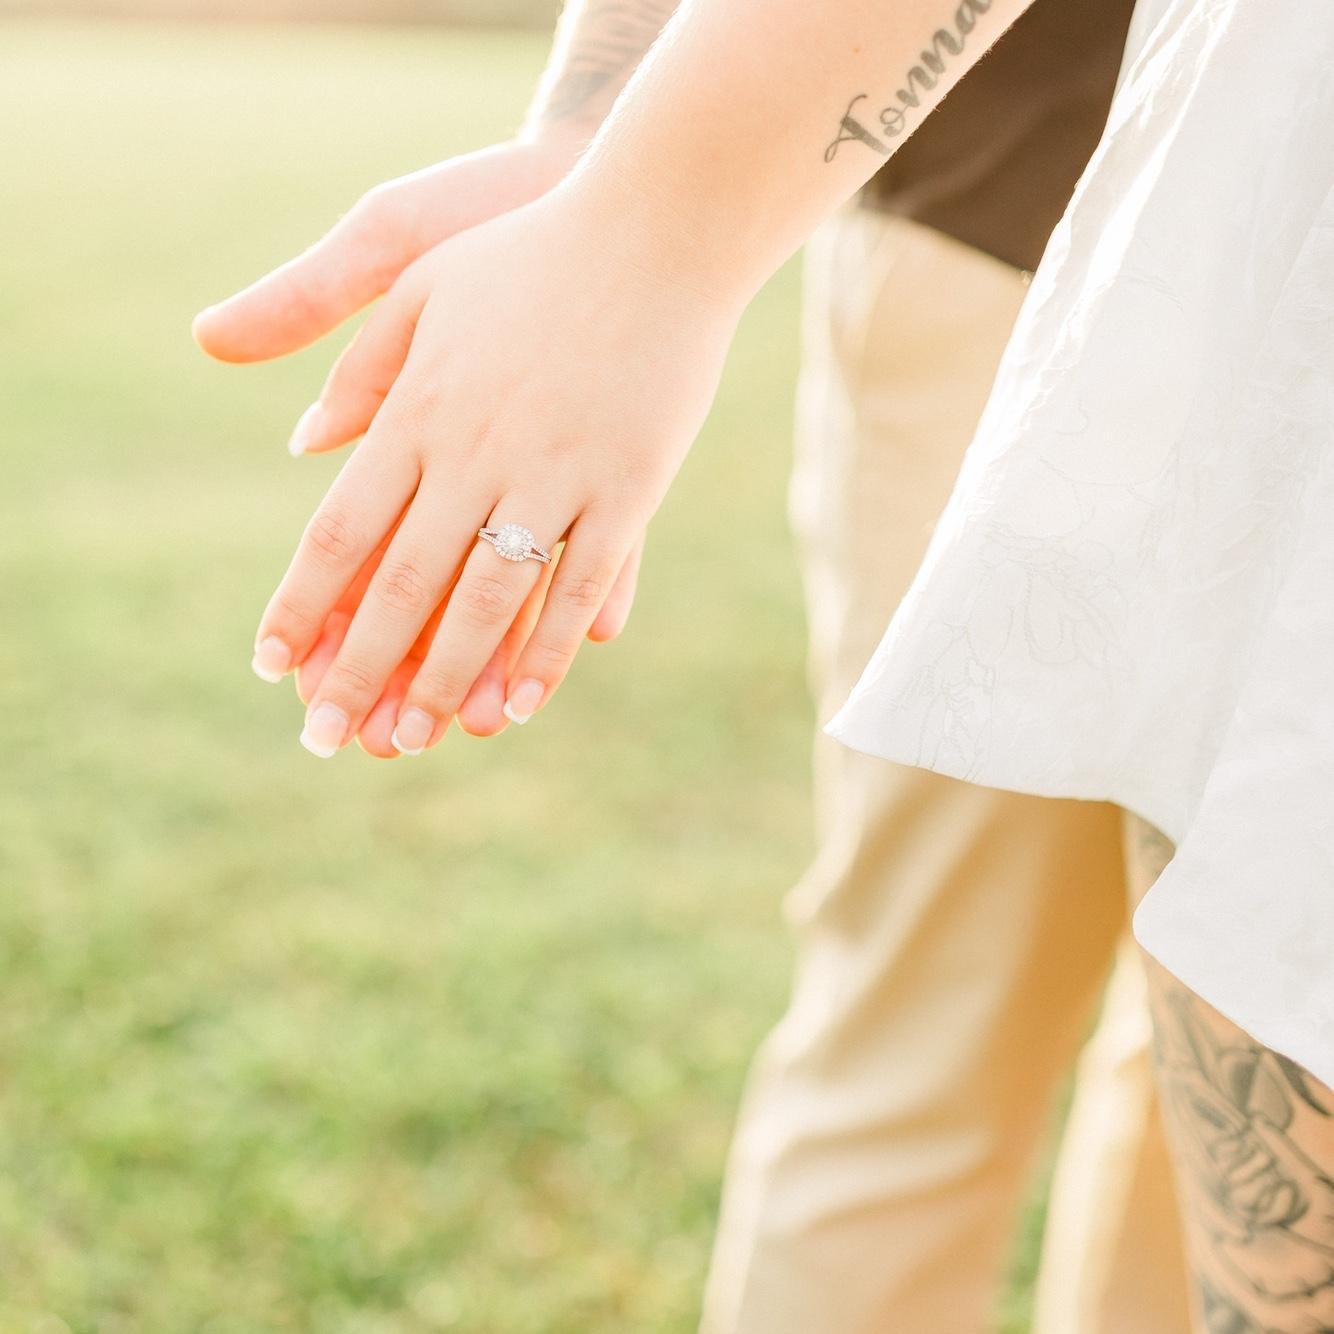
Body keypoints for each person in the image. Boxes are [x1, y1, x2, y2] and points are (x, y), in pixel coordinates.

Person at [193, 0, 1334, 1328]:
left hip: (1288, 294)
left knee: (1245, 1005)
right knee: (931, 996)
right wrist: (626, 187)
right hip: (1003, 239)